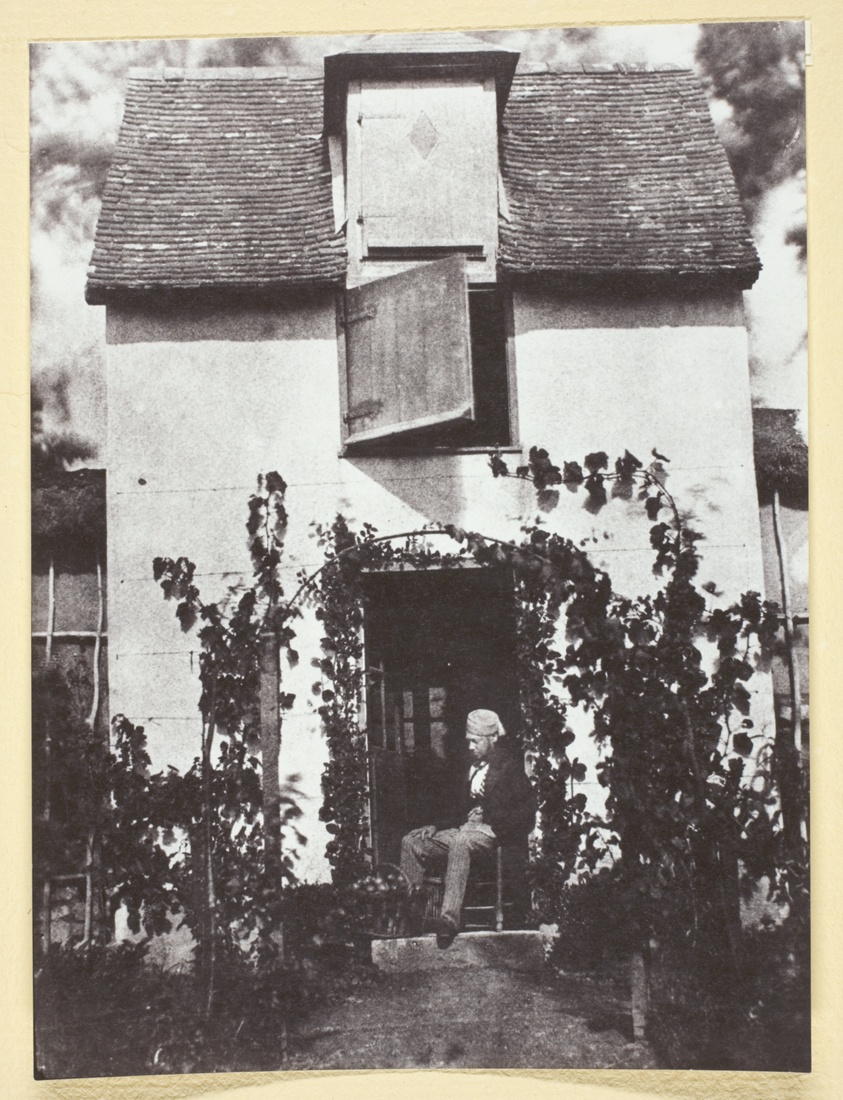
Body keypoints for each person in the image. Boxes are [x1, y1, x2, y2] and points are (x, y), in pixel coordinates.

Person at [400, 709, 537, 944]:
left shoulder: (509, 767)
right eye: (468, 741)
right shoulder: (469, 766)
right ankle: (410, 916)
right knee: (412, 842)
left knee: (460, 842)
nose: (470, 747)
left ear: (493, 738)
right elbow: (456, 807)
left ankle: (448, 919)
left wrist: (499, 828)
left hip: (490, 833)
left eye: (476, 741)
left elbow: (529, 807)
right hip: (465, 829)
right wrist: (435, 826)